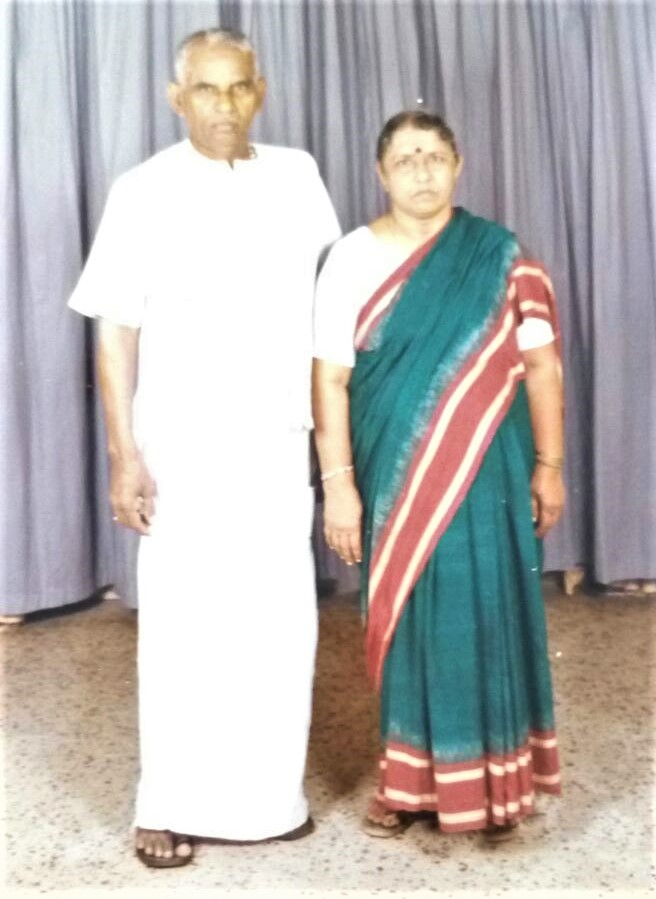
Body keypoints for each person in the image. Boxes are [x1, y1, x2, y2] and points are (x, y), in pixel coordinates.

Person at [69, 28, 340, 867]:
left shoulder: (298, 176)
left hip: (276, 441)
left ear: (260, 91)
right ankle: (169, 804)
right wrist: (124, 456)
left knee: (278, 624)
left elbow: (332, 310)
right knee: (186, 626)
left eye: (238, 87)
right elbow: (115, 333)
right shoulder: (142, 190)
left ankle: (268, 802)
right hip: (182, 443)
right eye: (206, 89)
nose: (224, 105)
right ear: (175, 98)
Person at [312, 111, 564, 842]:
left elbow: (541, 364)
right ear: (381, 173)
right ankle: (406, 784)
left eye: (434, 156)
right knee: (408, 617)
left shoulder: (499, 254)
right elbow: (329, 378)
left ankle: (496, 782)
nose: (421, 171)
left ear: (458, 164)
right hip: (392, 473)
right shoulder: (351, 257)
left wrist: (550, 465)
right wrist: (339, 486)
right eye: (405, 158)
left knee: (486, 608)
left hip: (489, 469)